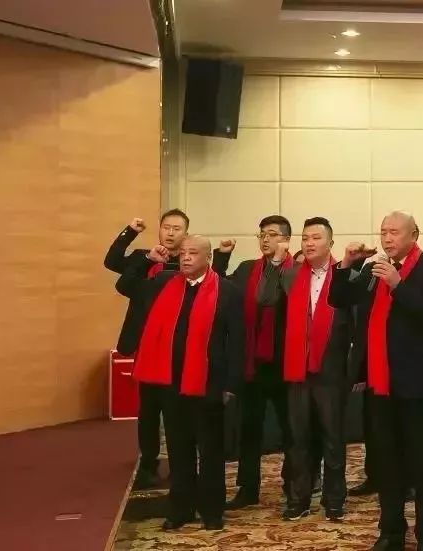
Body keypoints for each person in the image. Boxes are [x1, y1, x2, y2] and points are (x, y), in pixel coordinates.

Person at [329, 211, 423, 551]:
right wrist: (346, 265)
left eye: (394, 232)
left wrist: (398, 285)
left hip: (417, 386)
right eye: (383, 232)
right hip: (380, 385)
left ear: (414, 235)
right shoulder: (374, 269)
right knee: (387, 463)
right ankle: (391, 532)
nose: (387, 238)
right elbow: (339, 299)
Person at [115, 236, 245, 531]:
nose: (185, 257)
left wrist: (231, 385)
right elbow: (125, 286)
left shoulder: (227, 291)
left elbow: (237, 341)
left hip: (208, 383)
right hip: (170, 383)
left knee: (210, 452)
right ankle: (180, 509)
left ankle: (212, 511)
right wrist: (147, 259)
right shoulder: (164, 283)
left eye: (193, 253)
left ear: (208, 258)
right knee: (178, 449)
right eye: (183, 253)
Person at [105, 209, 215, 490]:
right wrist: (133, 235)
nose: (170, 233)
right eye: (166, 227)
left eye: (177, 229)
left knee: (178, 409)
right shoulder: (146, 256)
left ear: (186, 233)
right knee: (148, 410)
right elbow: (113, 264)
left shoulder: (188, 262)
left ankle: (182, 464)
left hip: (178, 346)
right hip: (146, 344)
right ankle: (148, 462)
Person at [256, 217, 352, 521]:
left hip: (331, 369)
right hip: (297, 367)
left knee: (332, 438)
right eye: (305, 238)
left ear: (330, 243)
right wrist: (275, 262)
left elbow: (355, 324)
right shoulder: (292, 273)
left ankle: (334, 499)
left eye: (316, 238)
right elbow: (264, 298)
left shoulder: (345, 275)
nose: (309, 243)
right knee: (298, 439)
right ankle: (299, 498)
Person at [218, 215, 295, 511]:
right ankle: (248, 488)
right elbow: (220, 289)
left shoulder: (296, 271)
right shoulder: (247, 269)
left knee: (291, 429)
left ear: (286, 239)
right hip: (252, 363)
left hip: (283, 363)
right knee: (249, 429)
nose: (265, 239)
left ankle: (293, 485)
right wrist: (222, 258)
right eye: (262, 234)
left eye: (272, 234)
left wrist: (276, 265)